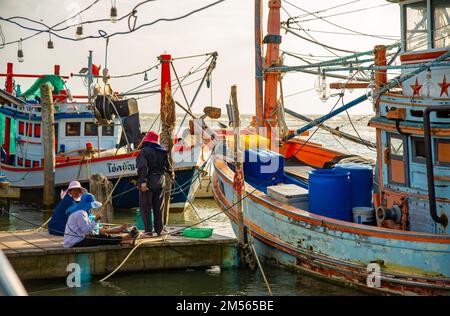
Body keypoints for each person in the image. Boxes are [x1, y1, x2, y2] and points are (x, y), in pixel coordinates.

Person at [63, 193, 138, 248]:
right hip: (74, 242)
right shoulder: (80, 213)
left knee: (103, 236)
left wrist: (97, 224)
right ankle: (127, 238)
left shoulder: (81, 212)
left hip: (77, 239)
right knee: (101, 238)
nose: (91, 208)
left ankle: (125, 240)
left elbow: (87, 229)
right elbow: (85, 231)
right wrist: (95, 220)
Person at [136, 131, 174, 237]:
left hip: (148, 182)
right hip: (160, 182)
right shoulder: (163, 151)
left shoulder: (144, 151)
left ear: (147, 139)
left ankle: (148, 231)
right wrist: (171, 174)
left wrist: (143, 181)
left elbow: (142, 167)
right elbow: (168, 166)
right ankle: (159, 230)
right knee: (159, 207)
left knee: (145, 207)